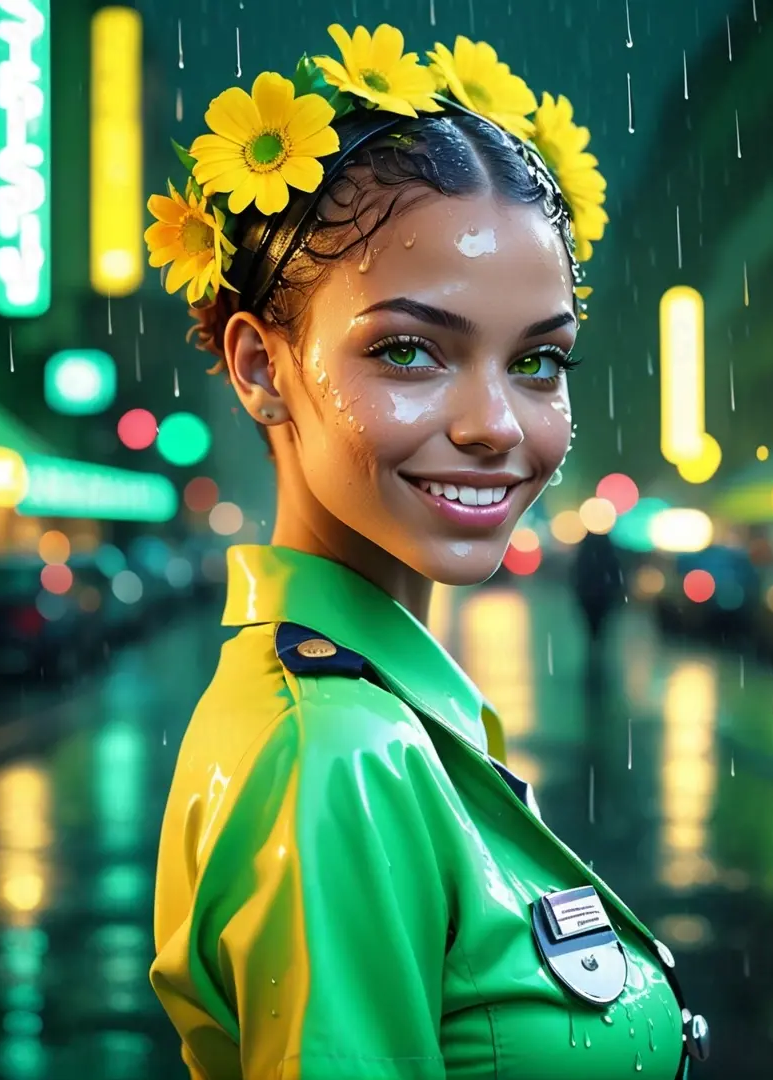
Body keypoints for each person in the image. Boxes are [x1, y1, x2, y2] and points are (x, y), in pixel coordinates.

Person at [145, 24, 708, 1079]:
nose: (499, 422)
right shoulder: (341, 755)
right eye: (410, 350)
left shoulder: (373, 708)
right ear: (261, 368)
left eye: (540, 360)